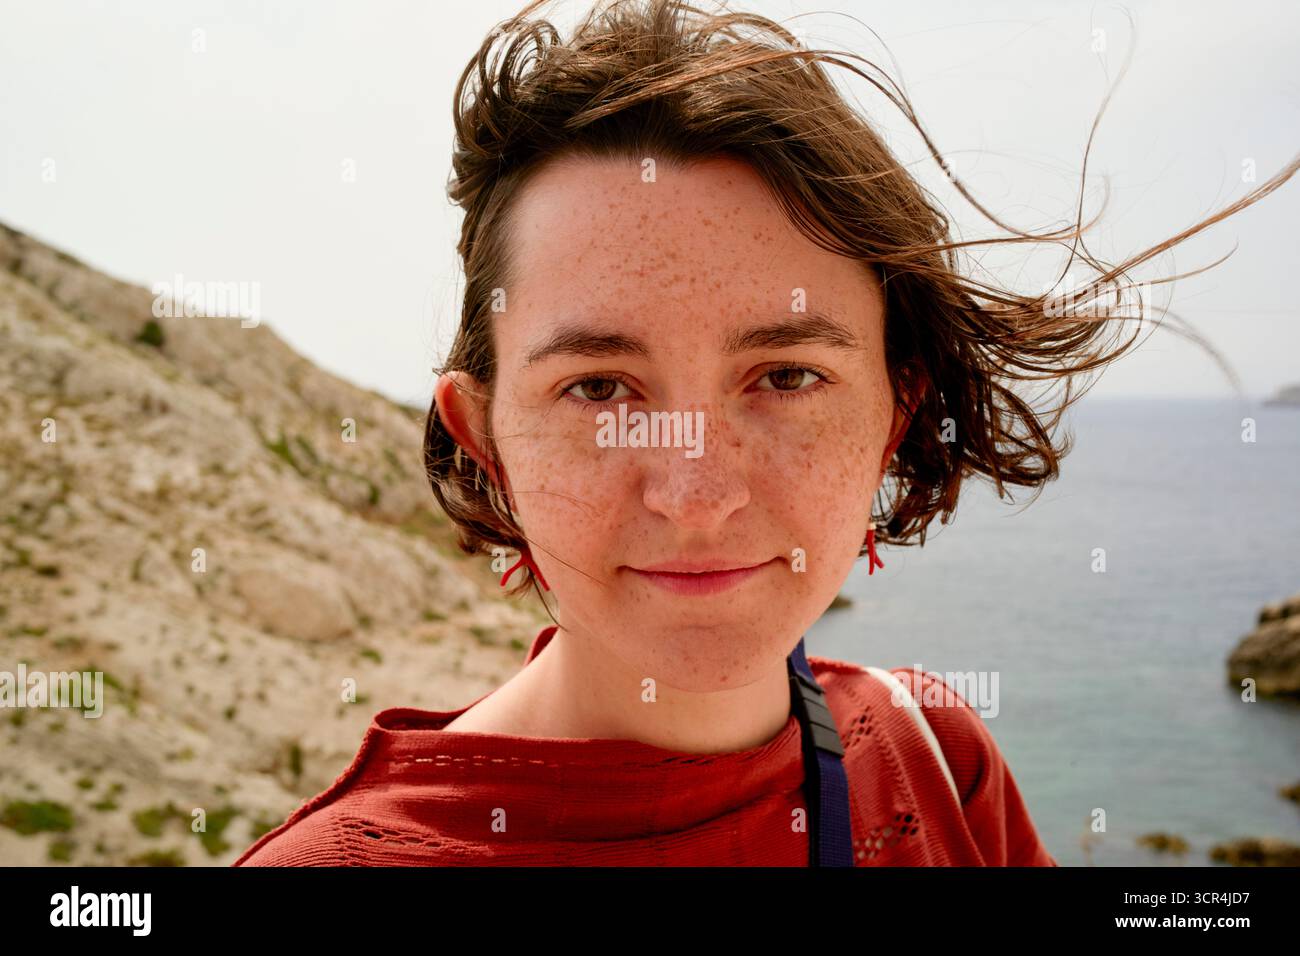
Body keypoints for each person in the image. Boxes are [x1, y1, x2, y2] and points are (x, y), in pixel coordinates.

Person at [234, 0, 1296, 867]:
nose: (696, 492)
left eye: (787, 375)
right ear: (486, 441)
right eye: (600, 387)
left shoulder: (936, 757)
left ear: (893, 414)